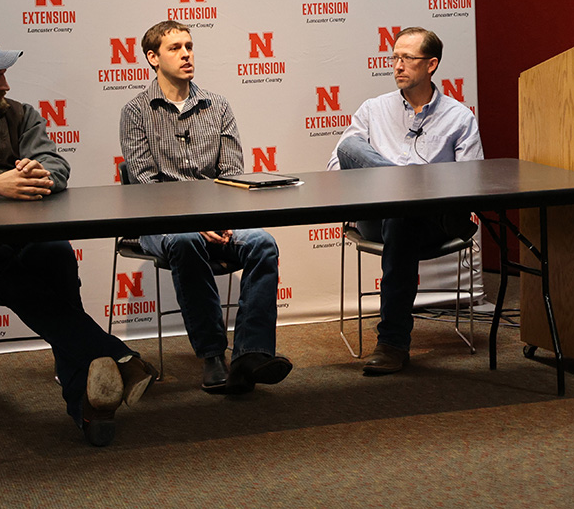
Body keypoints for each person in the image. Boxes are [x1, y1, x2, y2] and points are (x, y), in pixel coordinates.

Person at [0, 37, 156, 447]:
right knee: (21, 281)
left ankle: (91, 397)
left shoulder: (21, 115)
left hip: (27, 241)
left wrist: (40, 172)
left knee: (55, 253)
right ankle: (108, 367)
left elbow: (57, 165)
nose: (6, 86)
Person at [119, 20, 291, 395]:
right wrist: (196, 223)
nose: (186, 54)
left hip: (217, 218)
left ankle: (251, 353)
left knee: (262, 242)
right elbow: (145, 186)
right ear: (152, 57)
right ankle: (213, 354)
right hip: (160, 221)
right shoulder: (135, 111)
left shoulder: (219, 106)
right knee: (184, 241)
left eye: (189, 46)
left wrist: (218, 218)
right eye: (175, 48)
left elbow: (232, 175)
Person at [327, 26, 483, 375]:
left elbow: (472, 184)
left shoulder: (459, 118)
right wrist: (400, 185)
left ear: (431, 65)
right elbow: (338, 166)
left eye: (407, 58)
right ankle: (408, 195)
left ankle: (393, 343)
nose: (397, 65)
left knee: (403, 218)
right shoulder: (373, 109)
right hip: (375, 215)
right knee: (350, 147)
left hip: (433, 224)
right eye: (394, 57)